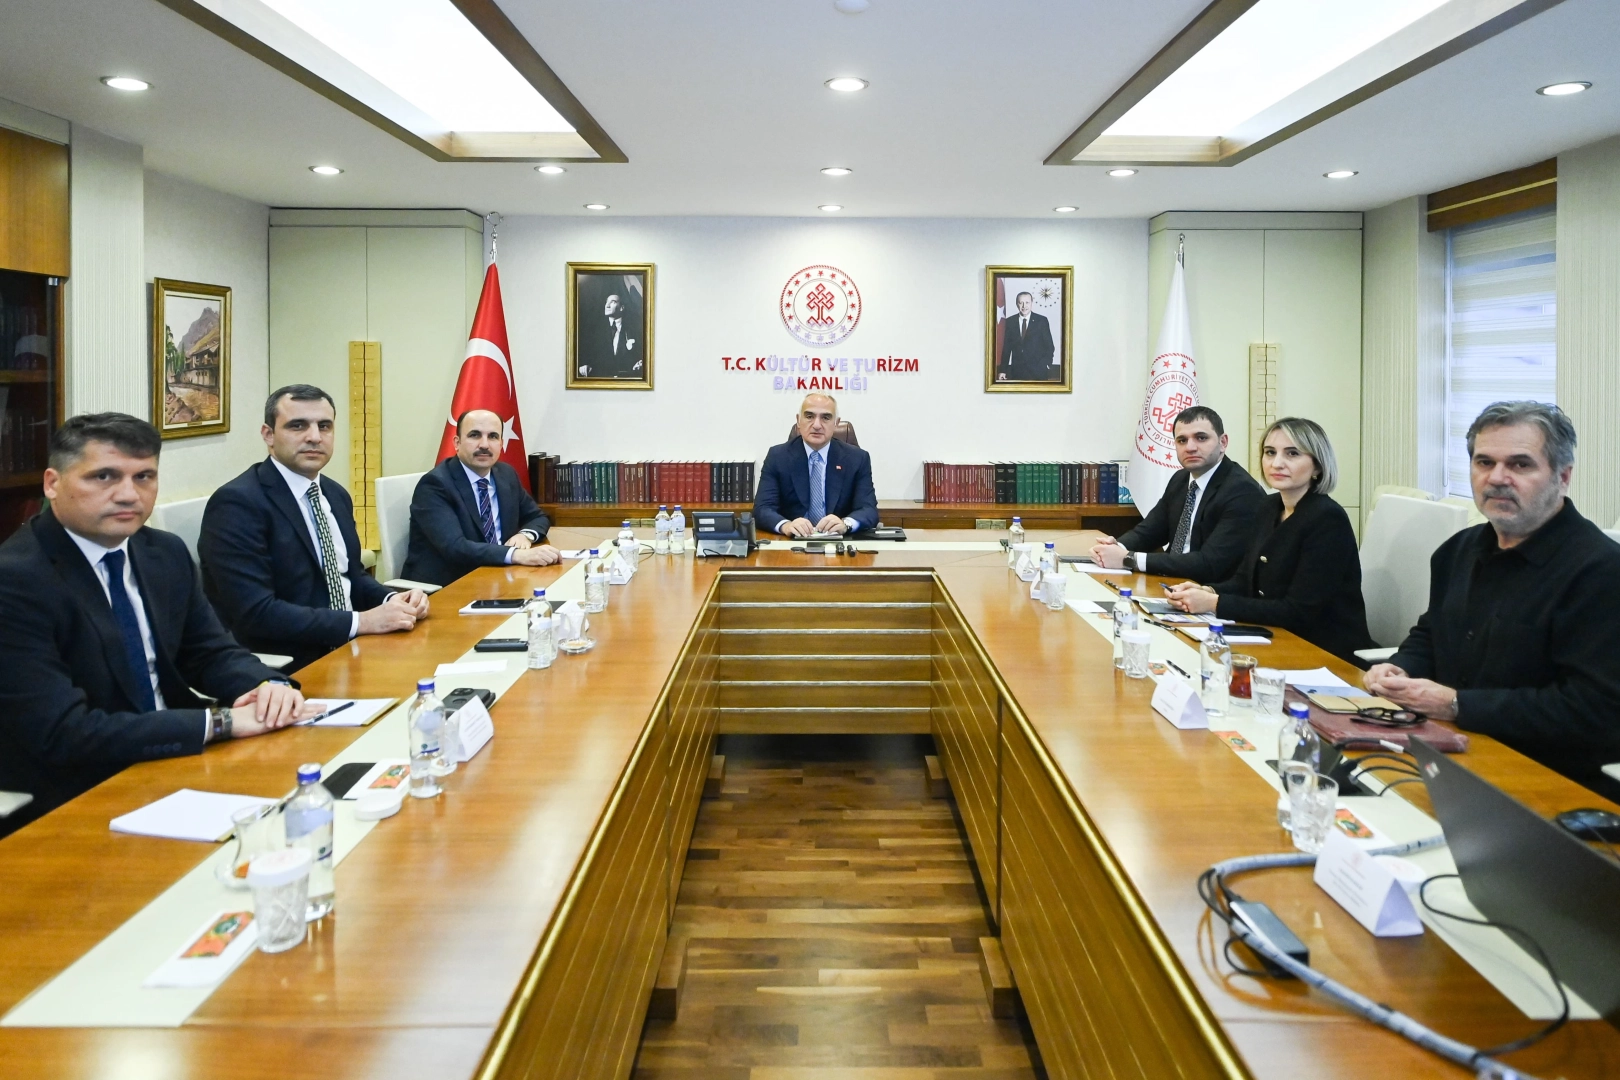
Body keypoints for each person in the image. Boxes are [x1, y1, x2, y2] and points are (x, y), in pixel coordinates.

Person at [0, 413, 313, 836]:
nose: (128, 494)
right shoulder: (16, 580)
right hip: (80, 790)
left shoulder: (162, 551)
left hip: (180, 758)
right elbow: (64, 733)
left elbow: (209, 651)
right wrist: (219, 723)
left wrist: (265, 686)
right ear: (52, 483)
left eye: (144, 477)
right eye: (104, 477)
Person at [1365, 401, 1620, 801]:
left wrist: (1457, 705)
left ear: (1563, 477)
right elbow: (1432, 634)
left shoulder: (1602, 571)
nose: (1497, 478)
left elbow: (1592, 710)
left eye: (1520, 464)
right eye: (1484, 462)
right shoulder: (1456, 551)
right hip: (1446, 756)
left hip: (1548, 781)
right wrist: (1400, 667)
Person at [199, 385, 431, 672]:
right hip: (290, 665)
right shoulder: (237, 504)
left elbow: (351, 576)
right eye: (297, 426)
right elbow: (256, 613)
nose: (314, 437)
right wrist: (361, 622)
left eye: (324, 426)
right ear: (268, 435)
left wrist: (393, 600)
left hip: (355, 648)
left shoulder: (335, 494)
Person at [1166, 418, 1374, 665]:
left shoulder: (1327, 519)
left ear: (1318, 466)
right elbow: (1245, 580)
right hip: (1275, 636)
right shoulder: (1269, 506)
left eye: (1292, 453)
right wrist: (1206, 590)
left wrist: (1214, 603)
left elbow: (1298, 611)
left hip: (1324, 653)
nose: (1277, 463)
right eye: (1270, 452)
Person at [1091, 405, 1264, 580]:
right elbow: (1149, 532)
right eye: (1182, 440)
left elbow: (1209, 563)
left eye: (1201, 438)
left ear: (1223, 442)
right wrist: (1116, 547)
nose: (1190, 447)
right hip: (1174, 581)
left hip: (1209, 589)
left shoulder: (1243, 492)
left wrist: (1128, 559)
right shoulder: (1180, 479)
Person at [402, 408, 558, 587]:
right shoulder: (435, 485)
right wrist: (516, 554)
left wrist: (525, 535)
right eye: (475, 435)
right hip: (449, 586)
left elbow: (537, 517)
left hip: (499, 577)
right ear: (457, 443)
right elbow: (455, 548)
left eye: (493, 436)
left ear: (501, 443)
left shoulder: (505, 475)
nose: (484, 445)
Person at [753, 393, 878, 538]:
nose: (817, 425)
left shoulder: (857, 459)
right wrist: (786, 525)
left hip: (839, 542)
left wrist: (846, 524)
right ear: (798, 420)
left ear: (836, 423)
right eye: (809, 416)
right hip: (793, 542)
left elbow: (868, 509)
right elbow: (762, 509)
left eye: (826, 417)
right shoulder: (778, 456)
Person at [578, 284, 643, 380]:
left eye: (613, 302)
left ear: (621, 308)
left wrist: (640, 363)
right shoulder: (594, 329)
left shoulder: (634, 329)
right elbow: (585, 354)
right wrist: (583, 365)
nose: (607, 305)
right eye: (606, 302)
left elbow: (640, 355)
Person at [995, 291, 1056, 382]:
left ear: (1031, 303)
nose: (1024, 306)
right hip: (1017, 372)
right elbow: (1006, 348)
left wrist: (1046, 364)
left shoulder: (1041, 321)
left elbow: (1049, 346)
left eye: (1027, 302)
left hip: (1038, 372)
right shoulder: (1010, 322)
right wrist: (1003, 370)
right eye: (1021, 303)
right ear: (1017, 304)